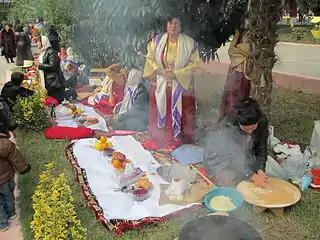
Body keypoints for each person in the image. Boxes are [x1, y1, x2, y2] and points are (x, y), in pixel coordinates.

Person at [143, 15, 200, 150]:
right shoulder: (157, 41)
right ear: (166, 25)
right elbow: (149, 59)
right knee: (161, 107)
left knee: (179, 109)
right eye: (170, 23)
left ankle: (177, 137)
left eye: (176, 23)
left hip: (179, 84)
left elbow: (194, 63)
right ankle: (160, 137)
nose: (173, 26)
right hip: (161, 81)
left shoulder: (189, 43)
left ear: (181, 27)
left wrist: (176, 73)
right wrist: (159, 71)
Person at [204, 98, 269, 188]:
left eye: (253, 128)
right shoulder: (228, 126)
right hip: (221, 160)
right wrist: (252, 176)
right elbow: (234, 157)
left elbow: (261, 147)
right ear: (238, 123)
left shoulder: (262, 121)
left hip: (245, 156)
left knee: (264, 177)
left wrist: (260, 170)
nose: (250, 132)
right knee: (230, 184)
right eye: (246, 129)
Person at [0, 99, 31, 232]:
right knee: (8, 195)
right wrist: (24, 168)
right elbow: (15, 158)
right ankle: (11, 212)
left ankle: (2, 222)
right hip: (5, 177)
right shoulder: (4, 143)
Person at [219, 28, 252, 120]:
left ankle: (239, 123)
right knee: (229, 99)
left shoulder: (255, 31)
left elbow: (250, 50)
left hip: (245, 73)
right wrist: (241, 50)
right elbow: (231, 50)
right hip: (234, 71)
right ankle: (227, 122)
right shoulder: (240, 32)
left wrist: (238, 48)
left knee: (242, 100)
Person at [35, 35, 65, 103]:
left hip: (54, 83)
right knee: (51, 103)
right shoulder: (43, 52)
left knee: (56, 102)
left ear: (43, 42)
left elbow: (53, 66)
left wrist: (39, 65)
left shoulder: (51, 52)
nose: (37, 43)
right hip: (49, 82)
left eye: (38, 41)